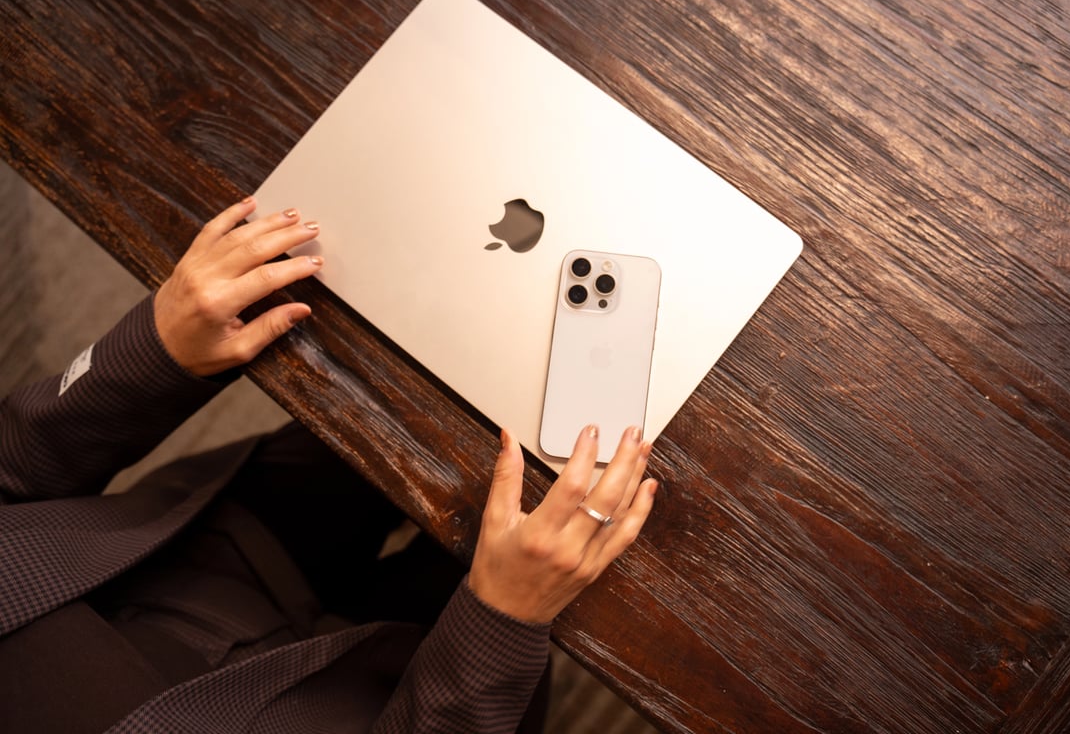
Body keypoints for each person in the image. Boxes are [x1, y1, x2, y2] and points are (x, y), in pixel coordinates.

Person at [0, 198, 658, 733]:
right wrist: (502, 621)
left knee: (449, 382)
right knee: (578, 520)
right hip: (415, 696)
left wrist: (149, 352)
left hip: (192, 548)